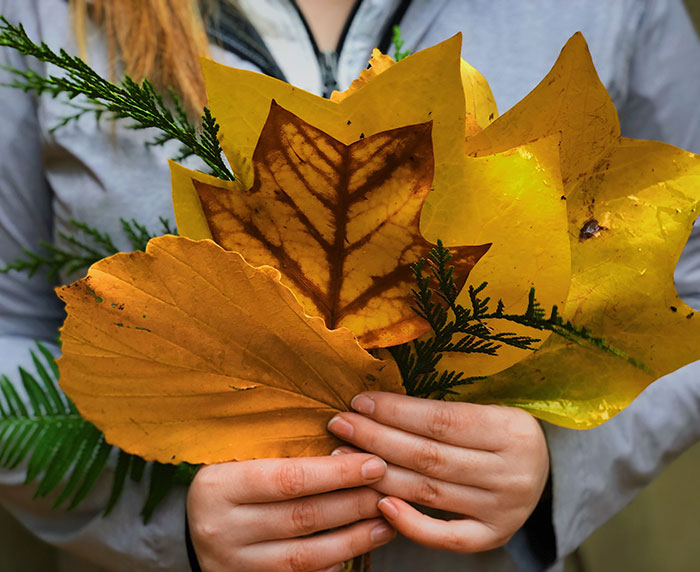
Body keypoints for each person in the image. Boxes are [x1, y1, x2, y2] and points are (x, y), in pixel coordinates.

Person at [0, 1, 699, 571]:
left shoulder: (618, 9)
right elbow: (10, 329)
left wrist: (557, 469)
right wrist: (165, 527)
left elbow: (689, 286)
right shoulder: (39, 15)